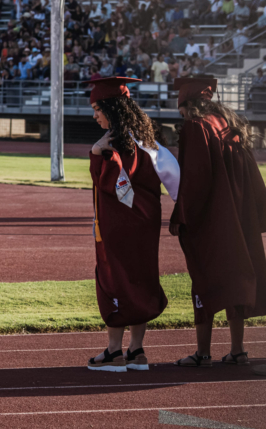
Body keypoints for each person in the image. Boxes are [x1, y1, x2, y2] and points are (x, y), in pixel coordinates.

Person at [170, 76, 266, 368]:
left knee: (204, 279)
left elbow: (196, 180)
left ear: (187, 104)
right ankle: (237, 350)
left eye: (181, 108)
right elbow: (252, 176)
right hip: (239, 217)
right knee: (236, 279)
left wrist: (183, 216)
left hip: (212, 220)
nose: (181, 114)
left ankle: (202, 352)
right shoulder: (229, 125)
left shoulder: (196, 128)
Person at [86, 78, 179, 372]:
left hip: (119, 225)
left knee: (115, 278)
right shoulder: (148, 142)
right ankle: (137, 351)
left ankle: (114, 353)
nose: (94, 115)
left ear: (110, 109)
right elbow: (174, 179)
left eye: (97, 108)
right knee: (142, 277)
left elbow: (110, 183)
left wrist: (95, 153)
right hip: (147, 223)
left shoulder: (113, 144)